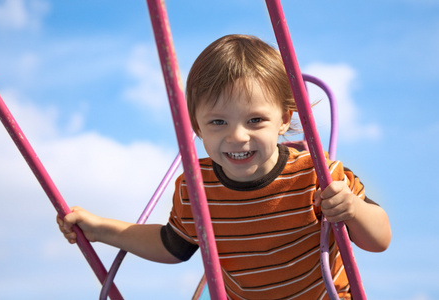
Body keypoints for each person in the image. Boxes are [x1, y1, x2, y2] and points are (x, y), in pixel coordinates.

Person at [57, 34, 391, 299]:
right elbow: (172, 245)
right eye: (218, 122)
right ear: (197, 127)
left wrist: (352, 209)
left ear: (284, 120)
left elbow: (379, 239)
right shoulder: (196, 189)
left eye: (255, 120)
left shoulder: (318, 176)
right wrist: (101, 229)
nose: (237, 136)